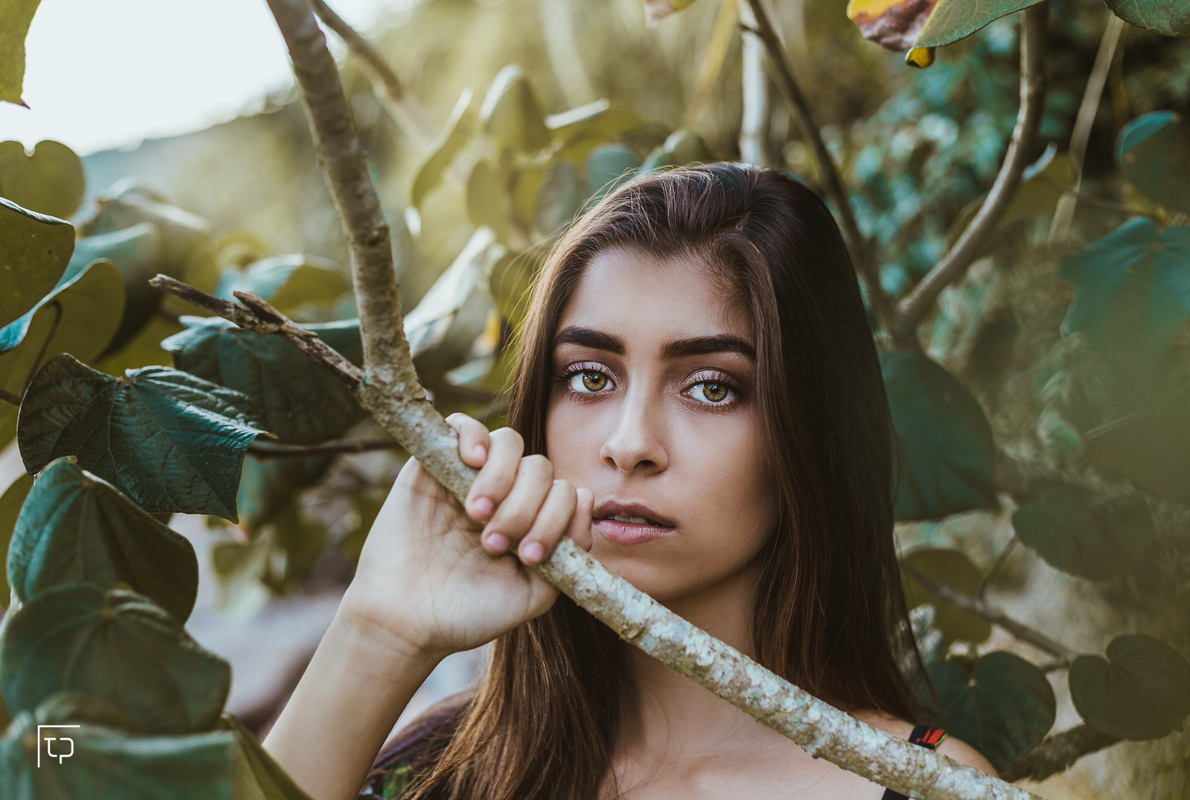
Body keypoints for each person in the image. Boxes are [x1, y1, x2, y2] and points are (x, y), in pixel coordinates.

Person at [261, 163, 998, 800]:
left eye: (712, 387)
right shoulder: (438, 771)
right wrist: (377, 634)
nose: (629, 444)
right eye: (588, 376)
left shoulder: (927, 785)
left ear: (811, 430)